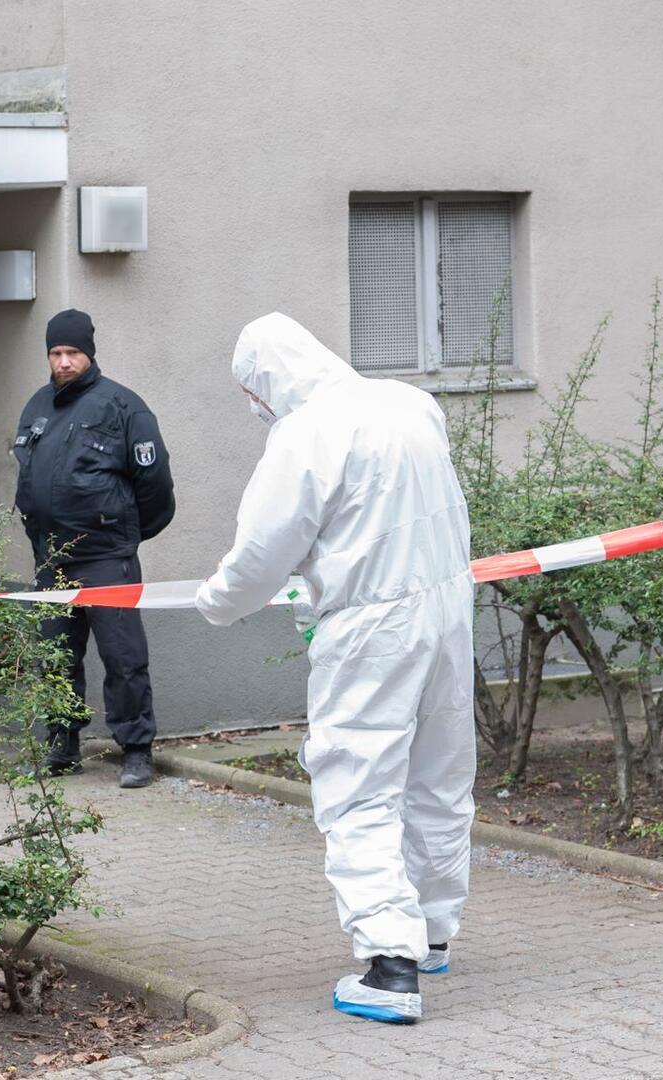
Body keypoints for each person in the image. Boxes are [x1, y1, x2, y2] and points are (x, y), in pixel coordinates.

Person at [194, 313, 476, 1026]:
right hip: (447, 608)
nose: (255, 410)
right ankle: (433, 929)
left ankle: (390, 966)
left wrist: (214, 602)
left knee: (358, 785)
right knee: (439, 775)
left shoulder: (307, 433)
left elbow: (262, 553)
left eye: (251, 395)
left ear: (264, 383)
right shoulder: (408, 402)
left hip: (370, 624)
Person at [12, 309, 174, 788]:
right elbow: (27, 478)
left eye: (72, 353)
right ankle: (63, 744)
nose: (63, 363)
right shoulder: (37, 406)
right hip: (52, 558)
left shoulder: (124, 407)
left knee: (123, 657)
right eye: (56, 354)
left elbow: (156, 487)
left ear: (89, 353)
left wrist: (123, 537)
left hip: (107, 556)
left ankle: (136, 750)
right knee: (57, 655)